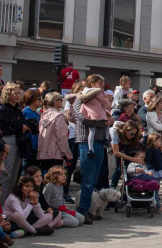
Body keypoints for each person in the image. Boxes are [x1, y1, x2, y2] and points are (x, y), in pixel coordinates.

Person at [74, 76, 112, 225]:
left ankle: (88, 208)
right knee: (88, 179)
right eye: (98, 83)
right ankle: (83, 210)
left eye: (102, 84)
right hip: (86, 142)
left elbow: (105, 114)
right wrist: (104, 122)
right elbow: (82, 119)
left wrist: (108, 120)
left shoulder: (100, 98)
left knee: (95, 179)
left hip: (100, 141)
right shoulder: (80, 99)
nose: (101, 86)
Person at [0, 83, 32, 203]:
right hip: (9, 141)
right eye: (15, 93)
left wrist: (23, 126)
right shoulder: (4, 109)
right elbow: (19, 126)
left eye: (19, 93)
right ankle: (1, 205)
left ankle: (8, 204)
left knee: (14, 176)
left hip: (18, 142)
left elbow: (25, 125)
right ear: (8, 94)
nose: (18, 95)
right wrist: (22, 126)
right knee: (6, 175)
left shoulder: (17, 109)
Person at [36, 92, 71, 173]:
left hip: (43, 153)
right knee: (55, 178)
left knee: (46, 176)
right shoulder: (59, 116)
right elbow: (62, 138)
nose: (62, 101)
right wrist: (67, 154)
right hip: (56, 153)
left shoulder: (43, 115)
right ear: (55, 101)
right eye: (60, 99)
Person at [79, 76, 111, 159]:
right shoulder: (98, 91)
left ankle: (90, 149)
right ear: (92, 84)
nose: (100, 85)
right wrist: (107, 99)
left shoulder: (84, 92)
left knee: (91, 132)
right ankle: (106, 139)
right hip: (98, 113)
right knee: (106, 124)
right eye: (99, 83)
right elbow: (105, 102)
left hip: (89, 114)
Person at [145, 133, 162, 214]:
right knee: (155, 189)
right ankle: (157, 205)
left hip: (160, 170)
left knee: (156, 188)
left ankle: (155, 204)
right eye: (159, 141)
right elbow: (148, 161)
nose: (160, 143)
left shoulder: (158, 150)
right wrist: (149, 169)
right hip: (155, 171)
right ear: (153, 141)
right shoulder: (150, 150)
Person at [21, 89, 42, 170]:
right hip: (29, 147)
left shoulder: (35, 113)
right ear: (33, 100)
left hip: (35, 146)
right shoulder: (27, 112)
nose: (41, 100)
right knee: (28, 170)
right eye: (39, 98)